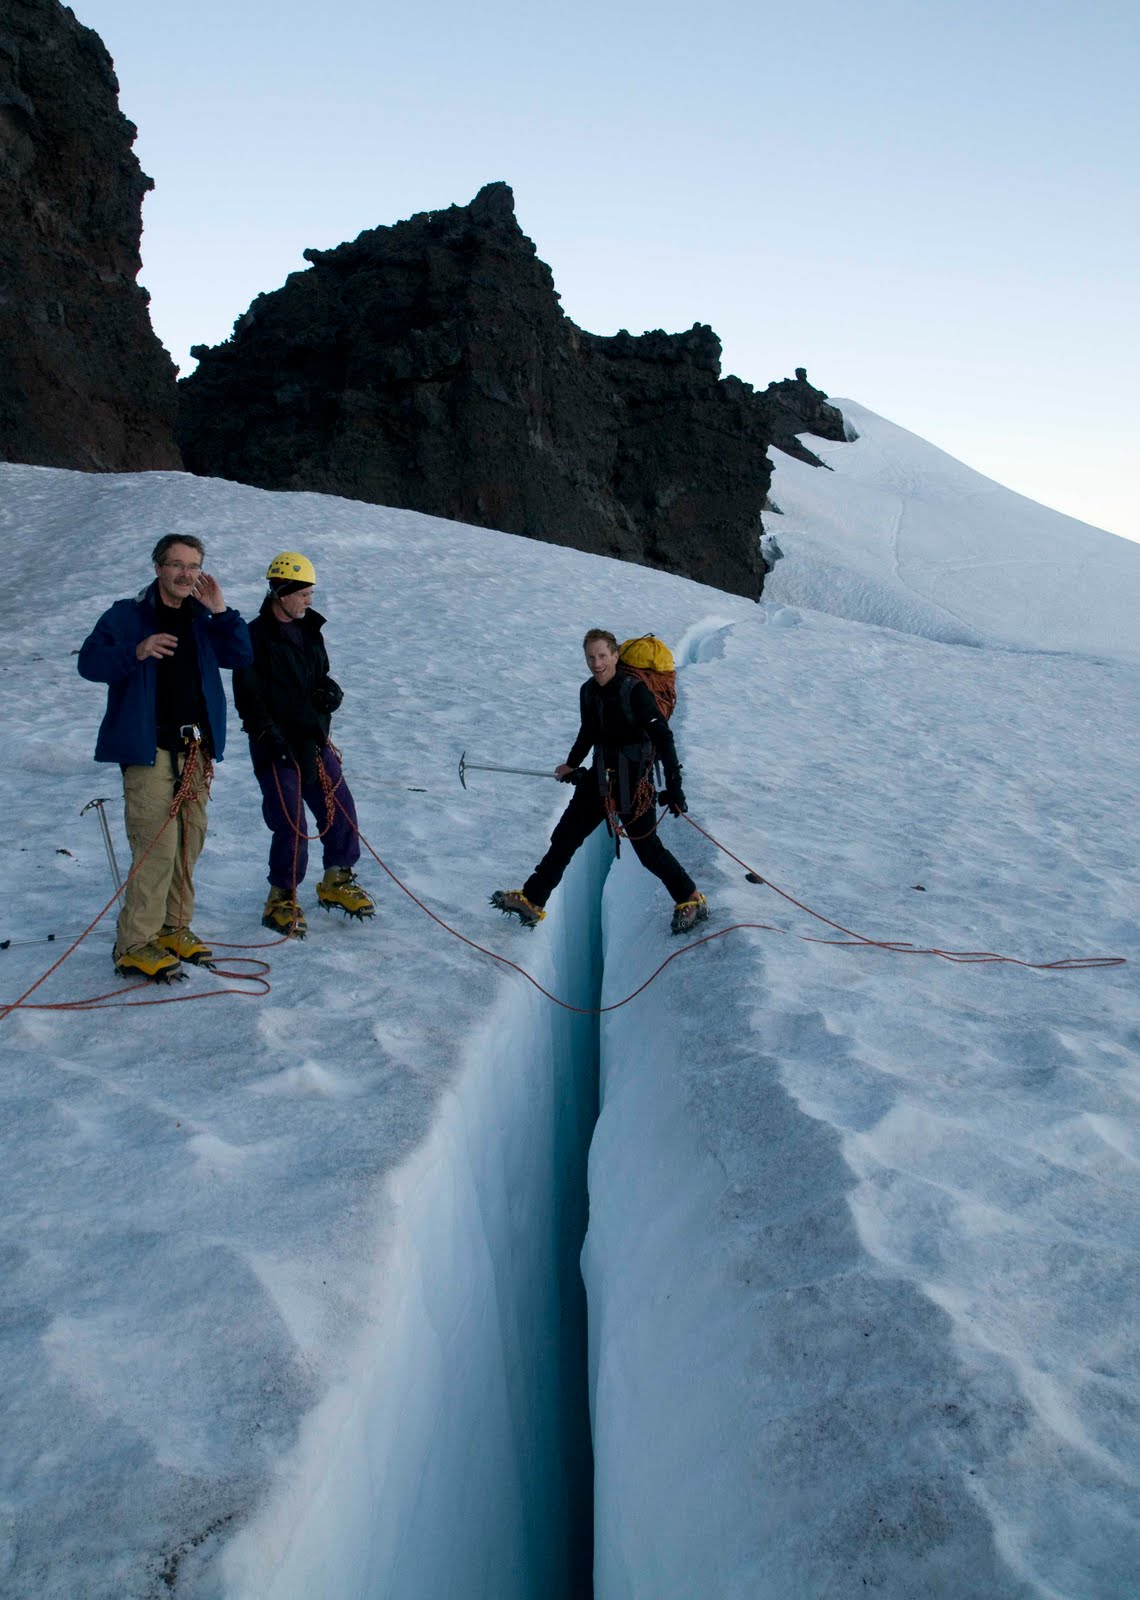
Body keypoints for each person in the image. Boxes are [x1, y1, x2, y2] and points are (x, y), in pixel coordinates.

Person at [77, 534, 253, 980]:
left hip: (196, 750)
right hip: (148, 749)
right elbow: (89, 663)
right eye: (175, 564)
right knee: (155, 846)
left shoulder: (203, 617)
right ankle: (135, 942)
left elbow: (241, 655)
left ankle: (175, 928)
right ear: (157, 567)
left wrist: (221, 610)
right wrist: (135, 651)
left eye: (193, 565)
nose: (184, 573)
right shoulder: (128, 614)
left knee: (188, 843)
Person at [492, 629, 708, 935]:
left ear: (615, 656)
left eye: (602, 656)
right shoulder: (588, 691)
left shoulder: (634, 691)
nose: (596, 663)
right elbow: (588, 731)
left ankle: (691, 898)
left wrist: (675, 786)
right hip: (600, 778)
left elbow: (663, 735)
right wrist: (572, 763)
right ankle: (533, 900)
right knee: (564, 838)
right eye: (591, 657)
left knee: (648, 851)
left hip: (634, 784)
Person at [232, 552, 374, 938]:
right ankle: (281, 896)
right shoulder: (252, 637)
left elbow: (319, 675)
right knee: (290, 820)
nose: (310, 600)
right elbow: (249, 698)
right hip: (275, 745)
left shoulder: (310, 630)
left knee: (339, 804)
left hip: (312, 738)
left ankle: (337, 877)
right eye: (304, 593)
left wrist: (330, 692)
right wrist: (270, 737)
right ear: (282, 592)